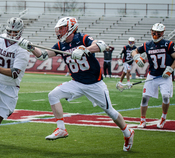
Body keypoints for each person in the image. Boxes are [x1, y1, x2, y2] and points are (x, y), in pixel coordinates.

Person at [18, 17, 134, 151]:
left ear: (70, 28)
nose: (59, 31)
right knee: (52, 95)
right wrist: (30, 47)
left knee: (111, 112)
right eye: (59, 29)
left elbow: (102, 44)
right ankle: (61, 129)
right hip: (77, 82)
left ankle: (127, 133)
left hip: (94, 84)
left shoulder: (82, 39)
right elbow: (43, 56)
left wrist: (85, 50)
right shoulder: (61, 45)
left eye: (62, 28)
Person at [131, 23, 175, 129]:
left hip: (165, 76)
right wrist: (137, 57)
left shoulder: (168, 44)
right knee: (145, 98)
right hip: (152, 75)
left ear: (163, 33)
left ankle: (163, 118)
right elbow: (134, 51)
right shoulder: (147, 44)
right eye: (154, 32)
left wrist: (171, 69)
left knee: (165, 97)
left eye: (158, 33)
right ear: (151, 31)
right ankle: (142, 120)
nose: (155, 35)